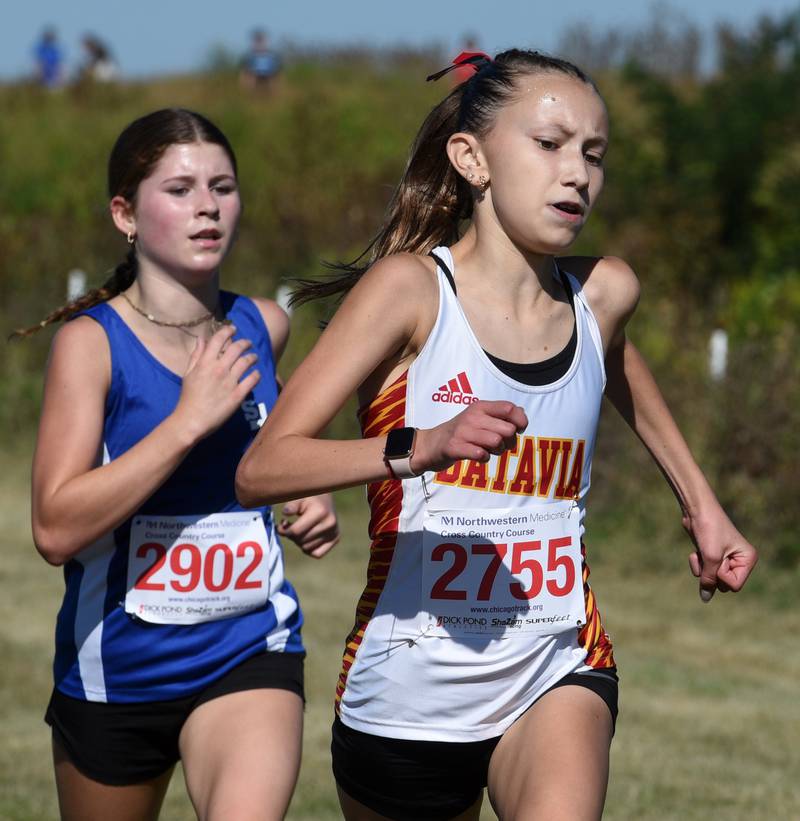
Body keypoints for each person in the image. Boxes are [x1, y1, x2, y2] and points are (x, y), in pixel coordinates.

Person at [235, 49, 758, 820]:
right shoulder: (410, 291)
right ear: (471, 158)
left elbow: (614, 367)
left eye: (594, 153)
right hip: (408, 686)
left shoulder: (603, 293)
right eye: (549, 145)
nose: (577, 172)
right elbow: (262, 467)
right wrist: (421, 448)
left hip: (557, 659)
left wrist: (701, 503)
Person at [22, 108, 339, 820]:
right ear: (124, 213)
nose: (207, 206)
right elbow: (53, 527)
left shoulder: (264, 324)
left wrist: (311, 493)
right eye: (181, 189)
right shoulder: (91, 344)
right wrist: (185, 424)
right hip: (117, 672)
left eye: (223, 187)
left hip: (248, 648)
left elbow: (278, 454)